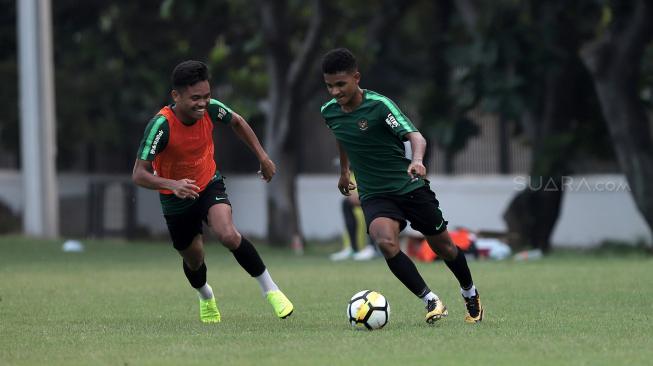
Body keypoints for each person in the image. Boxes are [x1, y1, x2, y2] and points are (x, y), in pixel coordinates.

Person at [320, 48, 483, 324]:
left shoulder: (380, 105)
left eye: (340, 84)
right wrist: (344, 171)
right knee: (385, 241)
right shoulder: (329, 112)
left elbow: (416, 136)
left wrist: (417, 161)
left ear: (356, 78)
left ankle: (470, 292)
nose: (335, 92)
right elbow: (341, 135)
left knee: (444, 247)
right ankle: (431, 300)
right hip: (375, 193)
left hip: (408, 185)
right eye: (329, 86)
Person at [132, 60, 294, 323]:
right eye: (196, 98)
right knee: (194, 259)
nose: (203, 103)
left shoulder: (211, 110)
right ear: (176, 95)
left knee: (228, 234)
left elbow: (238, 122)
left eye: (207, 96)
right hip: (175, 199)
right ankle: (206, 295)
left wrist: (263, 157)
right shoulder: (161, 126)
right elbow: (139, 173)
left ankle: (271, 290)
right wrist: (173, 185)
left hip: (208, 184)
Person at [330, 172, 378, 261]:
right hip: (366, 185)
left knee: (369, 201)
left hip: (381, 190)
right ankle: (353, 248)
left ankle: (372, 248)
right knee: (346, 202)